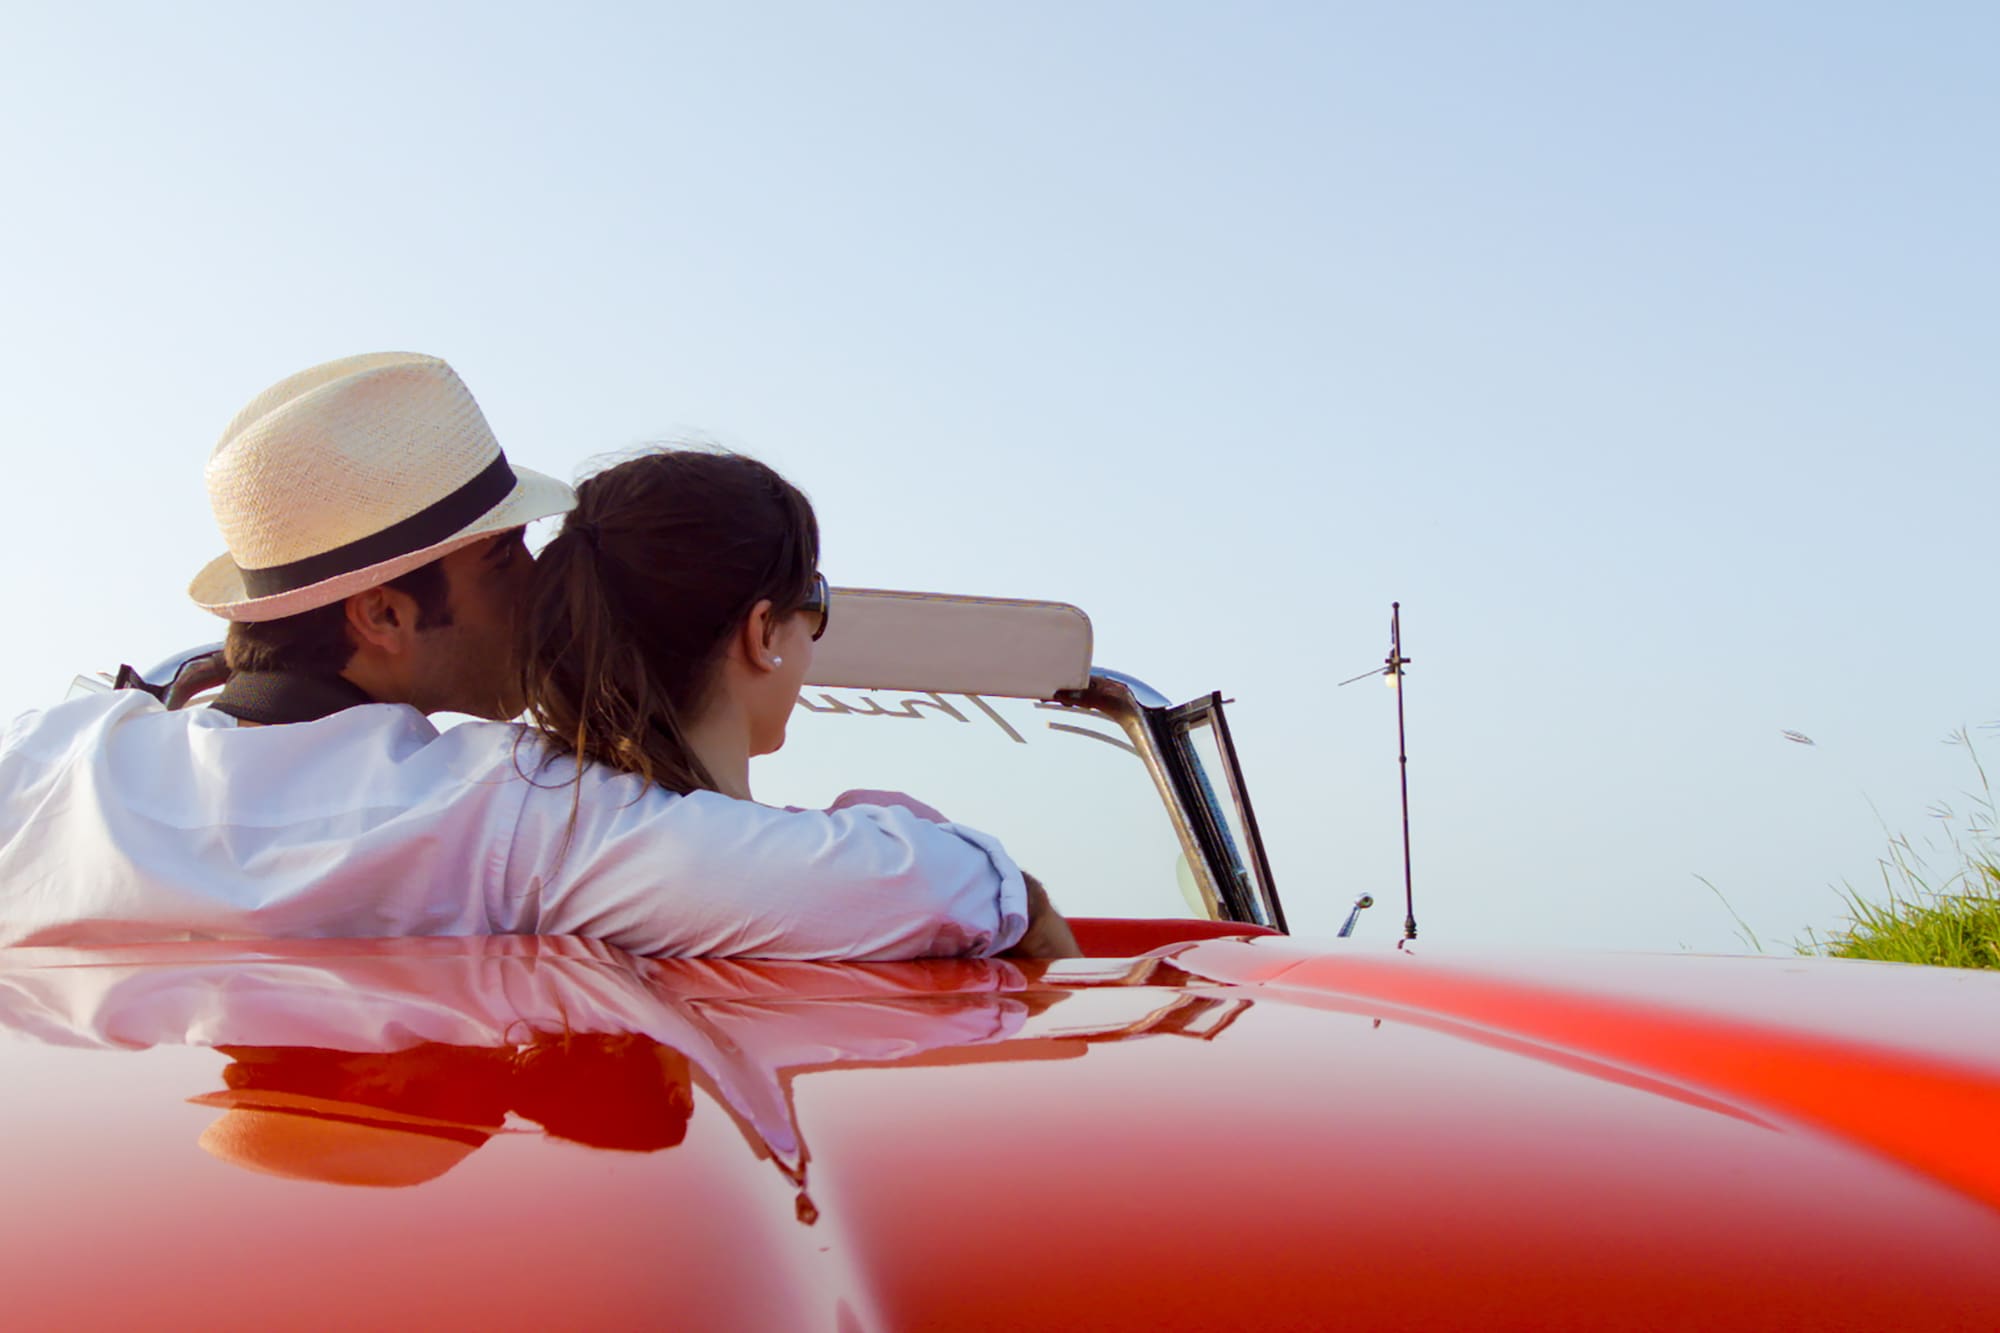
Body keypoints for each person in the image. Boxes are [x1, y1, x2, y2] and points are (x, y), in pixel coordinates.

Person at [0, 352, 1068, 959]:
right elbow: (910, 890)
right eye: (505, 556)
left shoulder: (54, 749)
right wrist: (998, 874)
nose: (543, 575)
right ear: (383, 615)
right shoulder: (488, 813)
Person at [517, 448, 1080, 960]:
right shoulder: (601, 839)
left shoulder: (500, 791)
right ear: (762, 633)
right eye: (813, 600)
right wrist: (1012, 896)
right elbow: (940, 888)